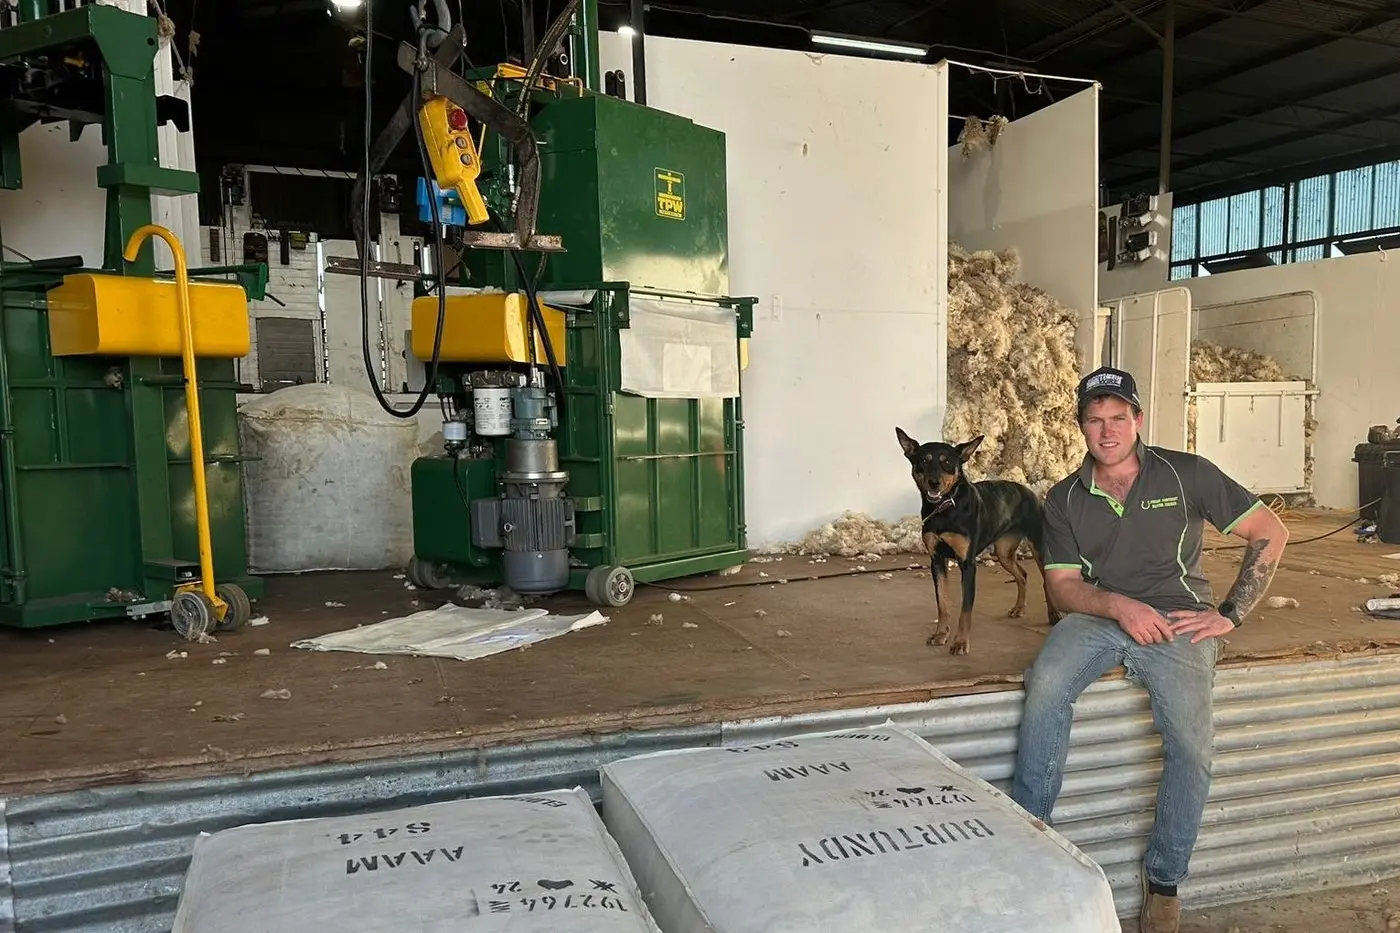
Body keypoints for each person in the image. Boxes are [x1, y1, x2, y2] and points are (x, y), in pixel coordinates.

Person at [1010, 366, 1289, 933]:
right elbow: (1062, 589)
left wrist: (1229, 614)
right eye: (1095, 420)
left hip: (1178, 618)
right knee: (1043, 687)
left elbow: (1270, 530)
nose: (1107, 431)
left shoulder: (1186, 474)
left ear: (1138, 420)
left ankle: (1164, 880)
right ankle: (1029, 839)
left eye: (1119, 417)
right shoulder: (1064, 498)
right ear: (1081, 427)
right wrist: (1118, 606)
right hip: (1099, 615)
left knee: (1192, 744)